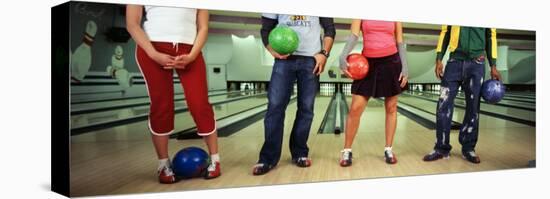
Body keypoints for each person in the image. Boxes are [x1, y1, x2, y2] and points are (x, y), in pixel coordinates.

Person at [126, 5, 221, 183]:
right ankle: (163, 165)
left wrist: (192, 55)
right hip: (152, 48)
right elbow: (132, 24)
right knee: (162, 106)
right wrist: (153, 53)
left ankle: (215, 161)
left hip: (190, 50)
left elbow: (203, 27)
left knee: (200, 105)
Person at [252, 14, 335, 175]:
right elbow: (265, 30)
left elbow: (330, 29)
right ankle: (268, 158)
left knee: (306, 109)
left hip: (312, 59)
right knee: (275, 107)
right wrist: (272, 51)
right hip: (284, 59)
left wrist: (324, 54)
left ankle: (300, 153)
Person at [423, 25, 501, 164]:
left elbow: (491, 35)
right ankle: (441, 148)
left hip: (477, 63)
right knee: (443, 104)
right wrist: (439, 58)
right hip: (454, 61)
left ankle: (468, 148)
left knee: (473, 108)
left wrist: (493, 65)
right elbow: (445, 31)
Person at [338, 19, 409, 166]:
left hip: (392, 62)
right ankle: (347, 151)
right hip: (367, 63)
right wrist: (342, 55)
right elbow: (354, 35)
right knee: (355, 108)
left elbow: (400, 41)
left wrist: (405, 66)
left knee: (391, 108)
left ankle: (388, 149)